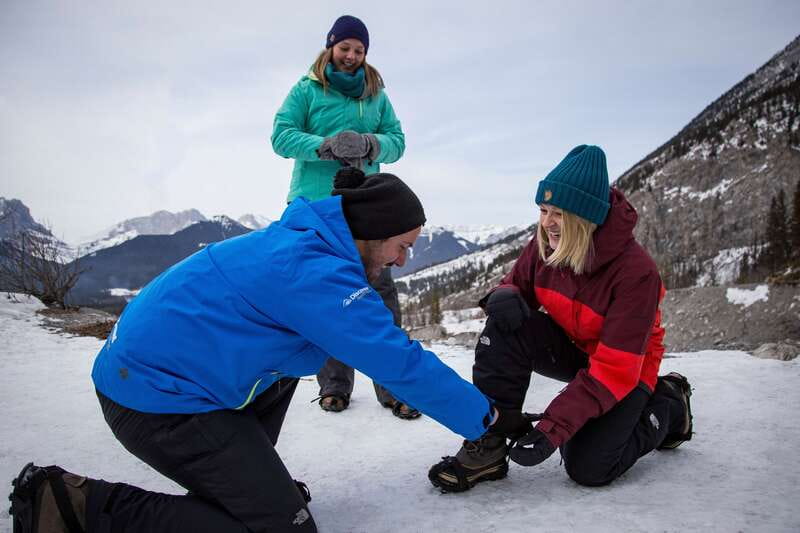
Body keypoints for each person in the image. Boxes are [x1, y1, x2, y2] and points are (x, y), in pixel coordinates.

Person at [9, 169, 496, 533]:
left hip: (169, 378)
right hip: (155, 399)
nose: (403, 260)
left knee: (291, 365)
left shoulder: (308, 242)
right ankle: (71, 504)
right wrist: (488, 421)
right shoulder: (313, 273)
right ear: (372, 234)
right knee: (283, 528)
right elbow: (398, 360)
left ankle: (251, 492)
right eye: (402, 246)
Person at [428, 145, 694, 493]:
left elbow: (614, 369)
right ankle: (489, 443)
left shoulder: (636, 273)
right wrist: (503, 295)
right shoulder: (545, 245)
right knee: (504, 324)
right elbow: (514, 286)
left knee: (589, 467)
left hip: (626, 367)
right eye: (543, 209)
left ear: (586, 218)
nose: (547, 222)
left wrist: (554, 427)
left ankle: (669, 403)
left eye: (559, 213)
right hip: (575, 349)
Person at [271, 15, 415, 418]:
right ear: (331, 46)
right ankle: (334, 385)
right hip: (316, 207)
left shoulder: (376, 94)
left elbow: (398, 143)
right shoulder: (307, 90)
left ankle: (393, 386)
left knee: (379, 294)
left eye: (360, 50)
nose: (352, 55)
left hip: (365, 206)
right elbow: (281, 136)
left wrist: (371, 144)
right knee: (326, 296)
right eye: (346, 47)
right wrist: (325, 146)